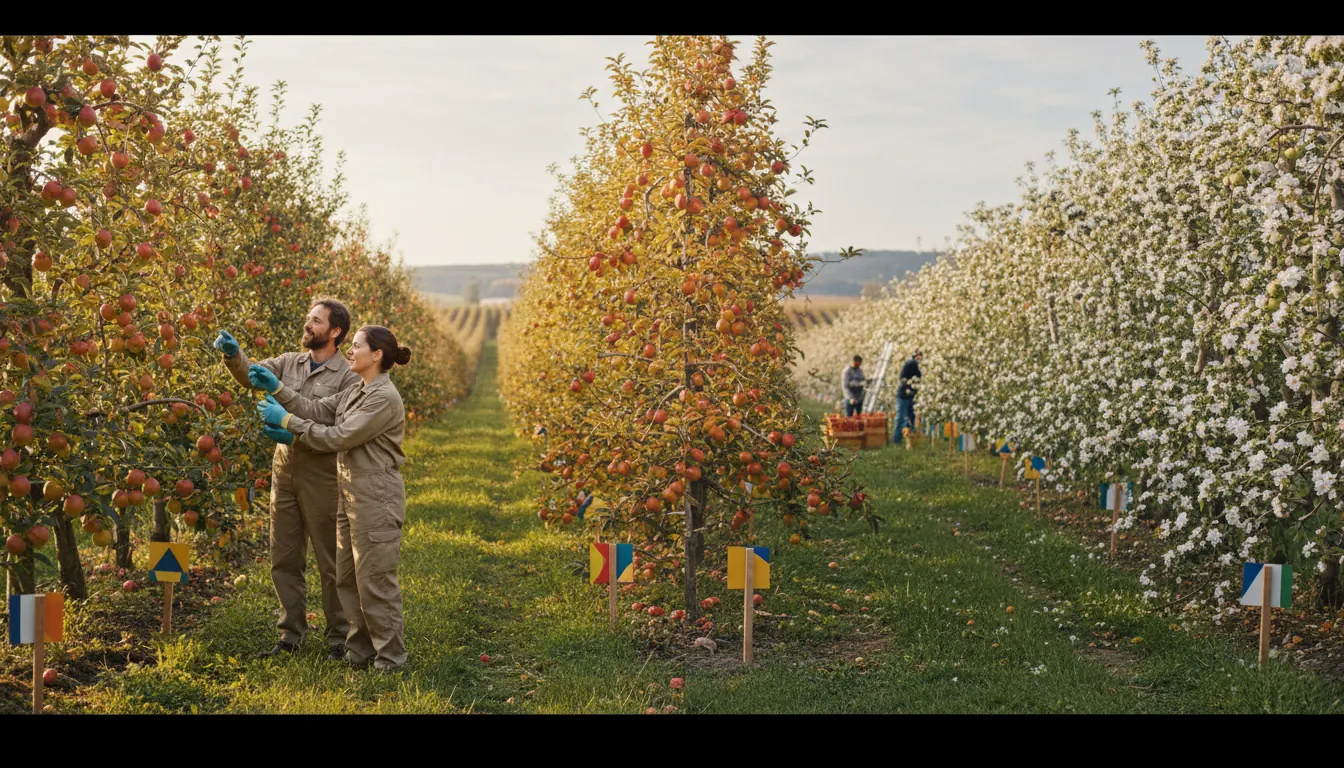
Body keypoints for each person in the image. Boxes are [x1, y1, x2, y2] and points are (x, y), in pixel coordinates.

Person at [253, 326, 411, 672]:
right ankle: (360, 653)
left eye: (356, 346)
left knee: (375, 581)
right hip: (349, 491)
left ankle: (391, 660)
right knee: (348, 579)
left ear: (377, 355)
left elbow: (340, 437)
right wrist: (278, 389)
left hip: (376, 496)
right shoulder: (358, 389)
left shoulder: (383, 397)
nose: (349, 351)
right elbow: (317, 409)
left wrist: (289, 424)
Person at [214, 300, 360, 660]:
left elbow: (336, 427)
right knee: (284, 555)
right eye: (308, 318)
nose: (307, 324)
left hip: (324, 474)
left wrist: (291, 425)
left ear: (335, 331)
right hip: (285, 470)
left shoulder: (349, 375)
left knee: (331, 559)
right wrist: (235, 356)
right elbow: (252, 374)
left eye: (315, 320)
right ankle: (290, 635)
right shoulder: (288, 362)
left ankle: (339, 637)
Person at [893, 350, 923, 444]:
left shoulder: (913, 364)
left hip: (909, 395)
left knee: (910, 417)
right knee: (902, 417)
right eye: (919, 356)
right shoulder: (912, 363)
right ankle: (898, 440)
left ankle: (910, 440)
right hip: (904, 395)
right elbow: (904, 378)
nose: (920, 358)